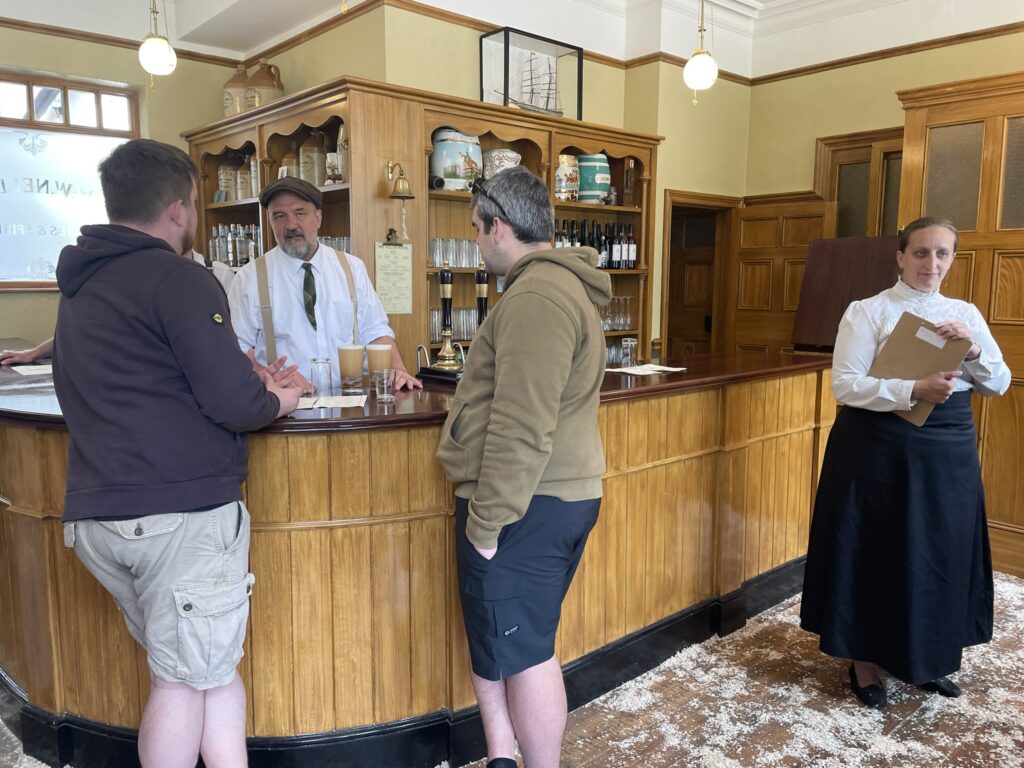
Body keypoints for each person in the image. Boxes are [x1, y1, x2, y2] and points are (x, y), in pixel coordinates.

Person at [52, 138, 304, 768]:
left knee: (204, 671)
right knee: (182, 680)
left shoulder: (80, 284)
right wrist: (282, 399)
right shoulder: (178, 279)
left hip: (99, 516)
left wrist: (245, 378)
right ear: (179, 208)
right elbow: (236, 404)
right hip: (177, 519)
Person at [436, 167, 611, 768]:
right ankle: (502, 757)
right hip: (539, 500)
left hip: (524, 504)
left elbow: (521, 424)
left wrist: (486, 526)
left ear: (499, 227)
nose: (477, 242)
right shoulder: (556, 287)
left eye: (476, 230)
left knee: (528, 650)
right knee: (505, 639)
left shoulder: (537, 296)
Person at [800, 216, 1011, 709]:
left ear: (952, 260)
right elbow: (845, 385)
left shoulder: (965, 313)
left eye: (942, 254)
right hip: (876, 444)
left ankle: (927, 657)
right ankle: (866, 662)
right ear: (900, 257)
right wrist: (912, 388)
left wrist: (975, 347)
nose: (931, 264)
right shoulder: (868, 311)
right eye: (920, 253)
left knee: (939, 551)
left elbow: (999, 382)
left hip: (948, 448)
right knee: (875, 548)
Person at [228, 176, 421, 391]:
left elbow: (376, 332)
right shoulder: (249, 278)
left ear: (318, 218)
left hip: (351, 407)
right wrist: (267, 377)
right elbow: (235, 352)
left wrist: (398, 370)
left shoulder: (352, 268)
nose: (291, 225)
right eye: (279, 216)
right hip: (283, 412)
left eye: (300, 213)